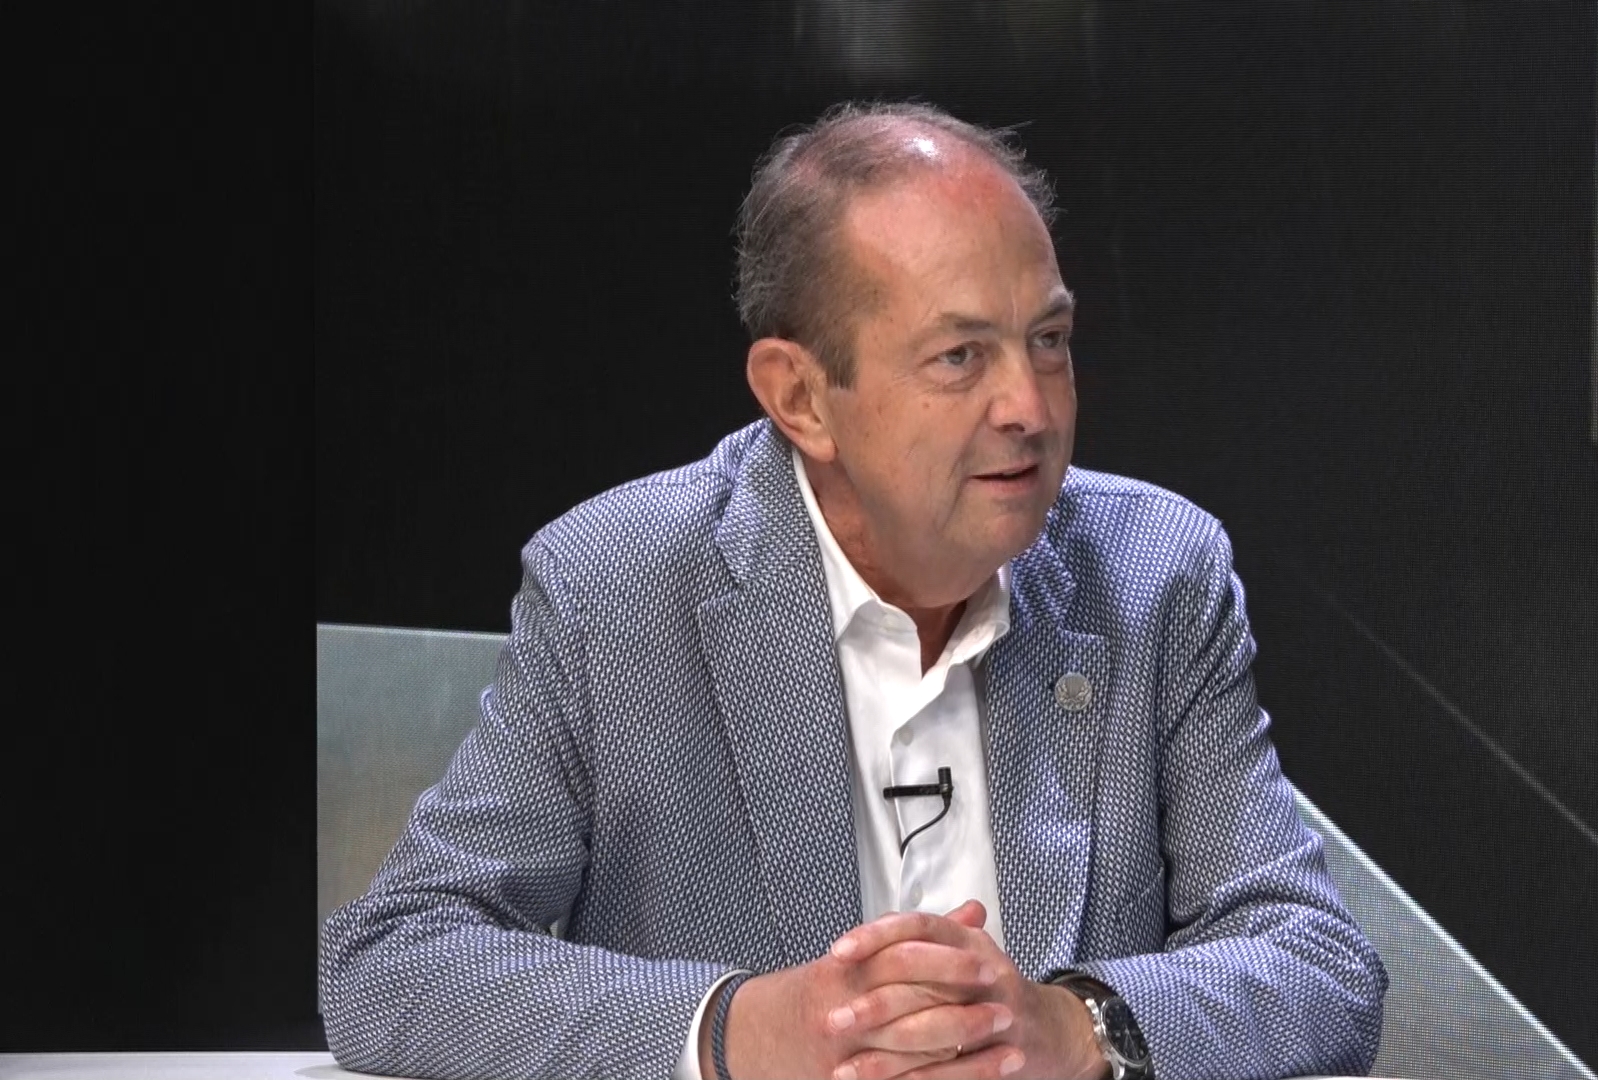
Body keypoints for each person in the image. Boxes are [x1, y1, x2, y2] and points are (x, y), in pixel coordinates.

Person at [320, 101, 1386, 1080]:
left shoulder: (1156, 573)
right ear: (800, 397)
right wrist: (735, 1030)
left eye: (1049, 341)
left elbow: (1318, 962)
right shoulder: (616, 586)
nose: (1030, 406)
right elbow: (394, 960)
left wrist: (1078, 1028)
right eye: (960, 356)